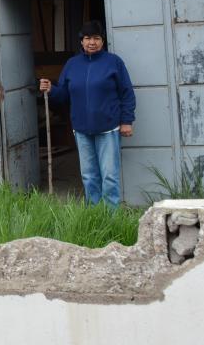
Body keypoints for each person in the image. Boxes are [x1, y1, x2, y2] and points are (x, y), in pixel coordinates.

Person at [39, 20, 135, 208]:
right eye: (88, 38)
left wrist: (127, 121)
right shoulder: (72, 64)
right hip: (82, 129)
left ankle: (112, 217)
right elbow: (63, 95)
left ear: (102, 41)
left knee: (109, 176)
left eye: (96, 38)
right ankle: (95, 214)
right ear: (81, 42)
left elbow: (127, 93)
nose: (92, 42)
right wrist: (51, 89)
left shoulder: (114, 62)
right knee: (89, 175)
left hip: (108, 128)